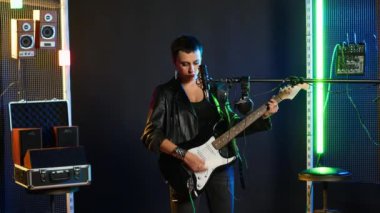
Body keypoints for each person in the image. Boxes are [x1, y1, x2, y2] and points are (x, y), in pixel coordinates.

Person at [141, 35, 279, 213]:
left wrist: (264, 116)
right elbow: (150, 135)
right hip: (182, 170)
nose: (192, 69)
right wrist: (185, 156)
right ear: (174, 62)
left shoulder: (216, 89)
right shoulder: (165, 93)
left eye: (196, 63)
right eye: (185, 64)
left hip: (220, 165)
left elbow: (232, 126)